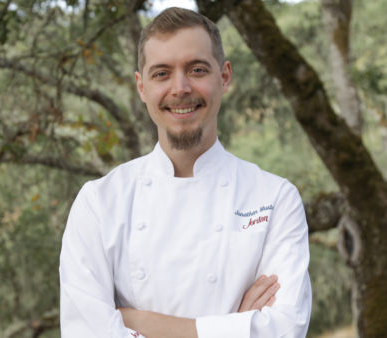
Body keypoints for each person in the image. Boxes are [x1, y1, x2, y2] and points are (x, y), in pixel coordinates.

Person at [59, 7, 312, 338]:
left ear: (224, 77)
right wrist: (235, 328)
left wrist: (136, 322)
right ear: (141, 87)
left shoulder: (275, 199)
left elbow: (285, 330)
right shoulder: (98, 204)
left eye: (196, 69)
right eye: (162, 73)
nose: (180, 88)